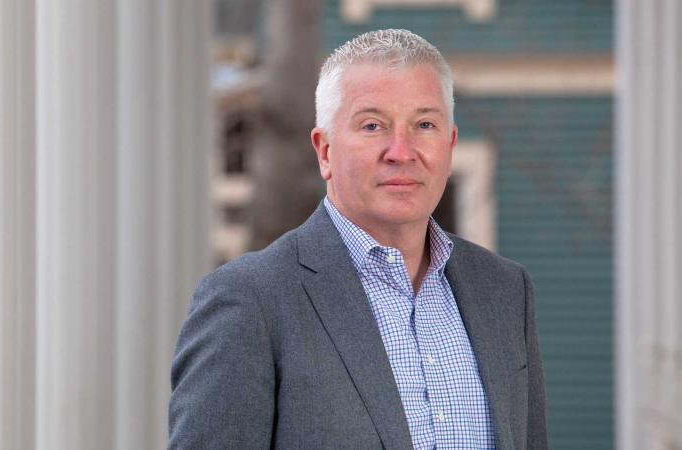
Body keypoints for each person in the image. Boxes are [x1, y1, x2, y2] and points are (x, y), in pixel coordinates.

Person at [169, 29, 547, 450]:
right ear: (325, 150)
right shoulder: (251, 300)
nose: (401, 151)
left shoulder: (505, 292)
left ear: (450, 144)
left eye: (424, 124)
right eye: (373, 125)